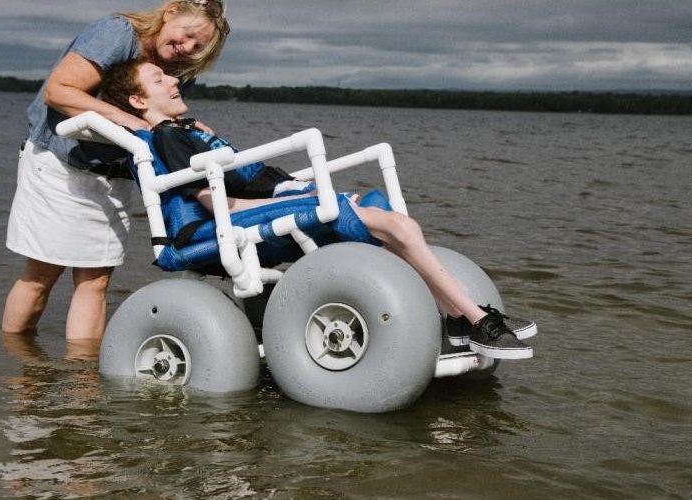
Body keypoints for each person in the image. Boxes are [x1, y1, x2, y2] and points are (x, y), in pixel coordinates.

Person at [100, 60, 537, 359]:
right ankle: (472, 319)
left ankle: (457, 319)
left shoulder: (187, 131)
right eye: (159, 80)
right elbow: (214, 202)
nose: (174, 81)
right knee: (392, 224)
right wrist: (299, 200)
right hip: (223, 225)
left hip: (259, 204)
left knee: (384, 213)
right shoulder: (169, 139)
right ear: (139, 102)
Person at [2, 1, 231, 342]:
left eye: (199, 47)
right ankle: (20, 366)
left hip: (116, 175)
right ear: (170, 14)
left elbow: (157, 117)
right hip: (60, 165)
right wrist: (131, 123)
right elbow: (58, 91)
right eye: (188, 36)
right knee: (41, 275)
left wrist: (184, 129)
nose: (188, 49)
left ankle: (83, 381)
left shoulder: (181, 67)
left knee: (96, 281)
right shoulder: (119, 34)